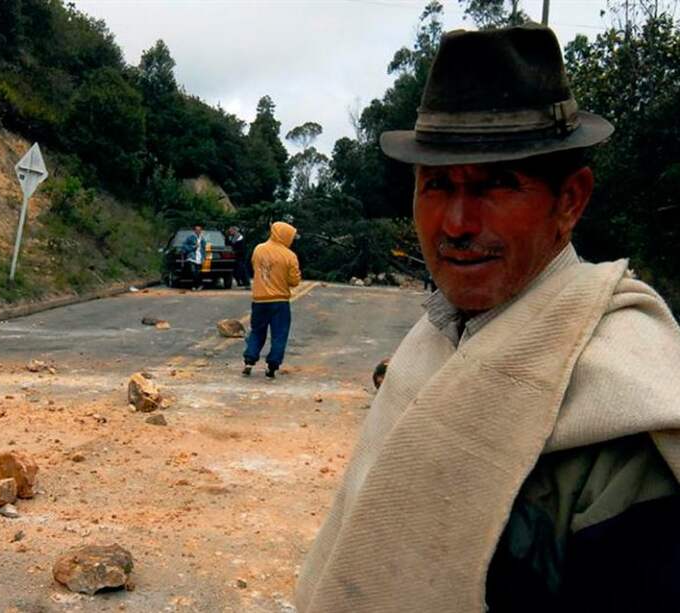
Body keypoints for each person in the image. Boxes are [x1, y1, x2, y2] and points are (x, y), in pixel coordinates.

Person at [296, 24, 680, 613]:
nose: (455, 223)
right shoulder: (428, 345)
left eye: (498, 184)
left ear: (570, 200)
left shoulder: (628, 415)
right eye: (437, 184)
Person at [242, 221, 301, 379]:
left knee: (257, 331)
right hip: (280, 301)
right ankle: (272, 366)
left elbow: (254, 267)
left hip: (259, 300)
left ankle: (249, 359)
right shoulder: (289, 256)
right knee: (279, 334)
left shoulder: (259, 249)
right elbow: (294, 281)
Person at [180, 224, 206, 291]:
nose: (198, 231)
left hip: (199, 257)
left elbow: (203, 248)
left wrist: (204, 257)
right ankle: (194, 286)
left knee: (198, 272)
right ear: (194, 230)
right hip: (192, 257)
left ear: (201, 231)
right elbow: (184, 246)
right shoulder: (190, 237)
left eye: (199, 230)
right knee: (193, 271)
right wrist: (193, 247)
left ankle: (199, 285)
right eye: (197, 230)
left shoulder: (202, 238)